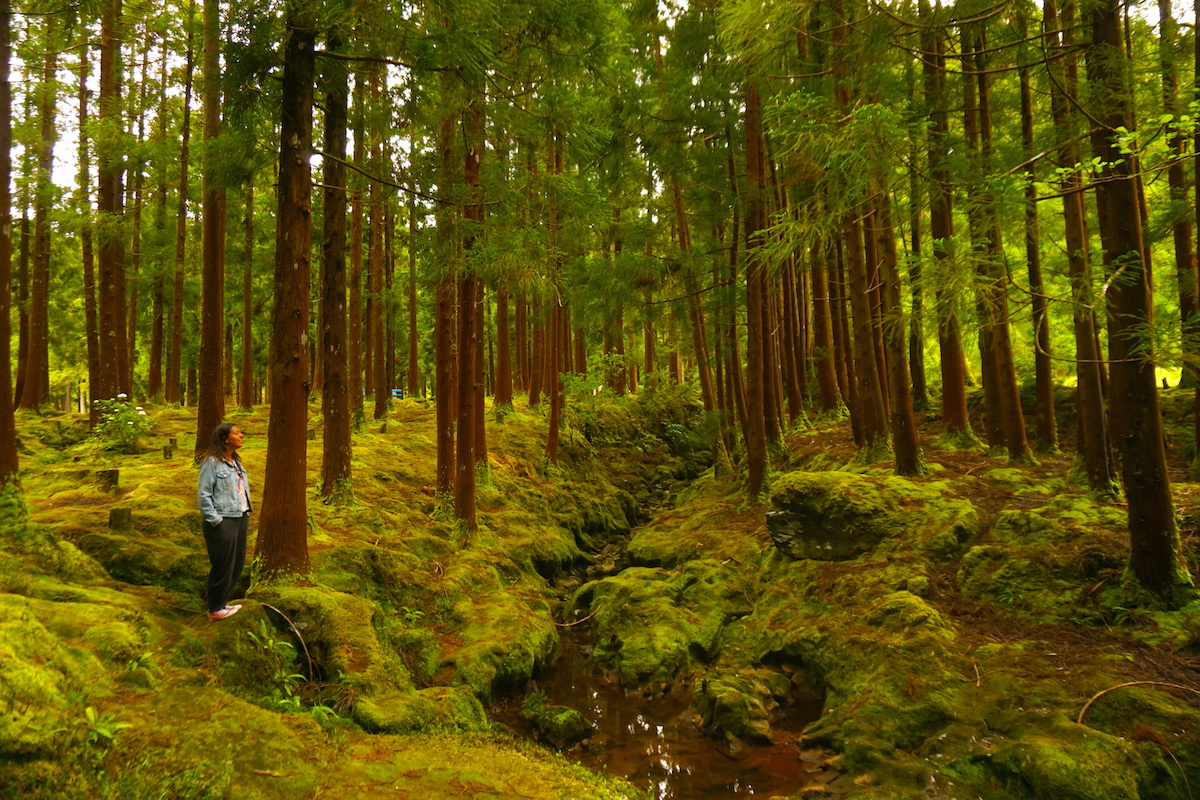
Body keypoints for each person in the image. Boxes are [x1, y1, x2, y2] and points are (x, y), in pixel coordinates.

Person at [197, 423, 252, 620]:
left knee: (236, 564)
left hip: (240, 516)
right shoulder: (211, 463)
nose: (241, 435)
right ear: (225, 439)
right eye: (237, 433)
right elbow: (204, 495)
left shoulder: (236, 462)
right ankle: (215, 608)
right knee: (222, 564)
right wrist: (216, 521)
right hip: (223, 519)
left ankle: (221, 603)